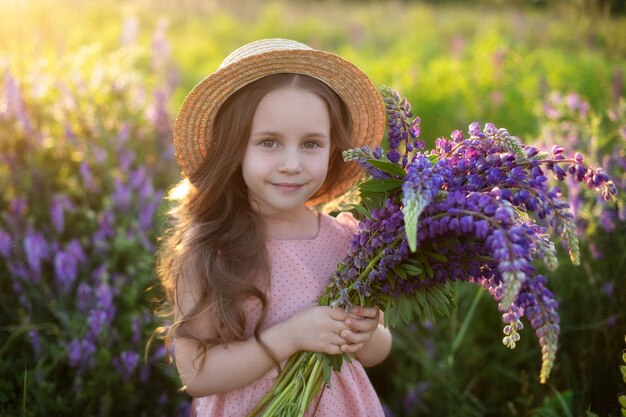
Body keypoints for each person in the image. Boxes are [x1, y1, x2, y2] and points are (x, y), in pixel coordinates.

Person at [157, 38, 392, 416]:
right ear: (233, 149)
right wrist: (290, 337)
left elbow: (376, 351)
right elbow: (196, 372)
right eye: (269, 142)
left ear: (334, 149)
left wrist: (368, 335)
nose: (291, 163)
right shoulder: (210, 248)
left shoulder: (351, 243)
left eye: (311, 144)